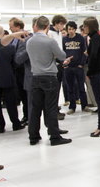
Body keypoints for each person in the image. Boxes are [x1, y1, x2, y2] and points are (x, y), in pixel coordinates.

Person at [26, 16, 72, 146]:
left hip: (35, 77)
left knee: (35, 109)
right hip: (49, 77)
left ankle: (33, 136)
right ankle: (54, 137)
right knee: (51, 108)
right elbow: (62, 56)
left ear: (36, 26)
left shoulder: (29, 41)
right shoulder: (50, 41)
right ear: (47, 27)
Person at [0, 26, 24, 132]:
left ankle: (1, 126)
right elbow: (15, 63)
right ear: (3, 34)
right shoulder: (10, 47)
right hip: (8, 77)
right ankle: (16, 124)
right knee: (11, 102)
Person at [83, 17, 100, 137]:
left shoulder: (95, 38)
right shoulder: (94, 38)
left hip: (97, 73)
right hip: (97, 72)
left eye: (85, 26)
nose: (84, 28)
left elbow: (93, 57)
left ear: (90, 26)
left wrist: (89, 73)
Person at [63, 21, 88, 114]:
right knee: (70, 88)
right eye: (69, 29)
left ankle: (84, 106)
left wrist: (81, 64)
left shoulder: (80, 38)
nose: (71, 31)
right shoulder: (64, 39)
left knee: (81, 87)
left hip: (78, 67)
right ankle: (72, 107)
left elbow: (84, 52)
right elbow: (63, 52)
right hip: (68, 67)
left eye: (73, 29)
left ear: (75, 29)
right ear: (67, 30)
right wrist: (64, 64)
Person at [9, 17, 28, 125]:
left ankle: (28, 116)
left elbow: (22, 54)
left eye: (11, 26)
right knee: (21, 94)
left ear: (18, 27)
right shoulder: (13, 38)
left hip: (23, 69)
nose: (10, 28)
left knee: (26, 94)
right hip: (16, 70)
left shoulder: (24, 37)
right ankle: (26, 116)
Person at [48, 15, 67, 120]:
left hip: (60, 62)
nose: (63, 26)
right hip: (54, 63)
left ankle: (56, 109)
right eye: (62, 24)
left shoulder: (59, 33)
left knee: (57, 88)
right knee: (54, 89)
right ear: (57, 23)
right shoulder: (50, 33)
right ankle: (54, 111)